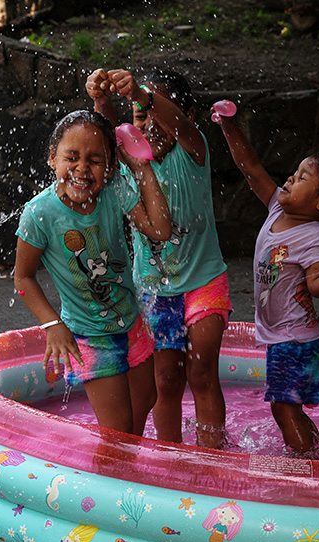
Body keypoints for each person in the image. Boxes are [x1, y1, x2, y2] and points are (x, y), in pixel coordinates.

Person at [214, 107, 319, 453]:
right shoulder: (277, 209)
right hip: (285, 337)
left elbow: (315, 284)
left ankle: (307, 470)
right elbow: (251, 167)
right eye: (294, 172)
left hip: (295, 338)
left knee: (283, 408)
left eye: (302, 177)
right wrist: (228, 125)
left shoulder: (314, 235)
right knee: (288, 408)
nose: (289, 178)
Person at [86, 67, 231, 449]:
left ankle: (213, 458)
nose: (149, 125)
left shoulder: (193, 149)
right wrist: (102, 100)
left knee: (202, 374)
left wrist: (141, 94)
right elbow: (107, 136)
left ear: (185, 116)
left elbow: (177, 125)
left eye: (156, 114)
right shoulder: (131, 166)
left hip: (204, 282)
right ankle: (171, 462)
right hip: (155, 290)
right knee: (165, 380)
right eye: (139, 116)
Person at [13, 110, 171, 435]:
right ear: (52, 159)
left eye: (95, 160)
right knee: (117, 429)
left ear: (110, 167)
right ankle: (115, 471)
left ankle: (128, 465)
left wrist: (141, 168)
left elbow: (160, 229)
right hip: (90, 334)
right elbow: (23, 277)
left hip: (131, 321)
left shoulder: (114, 192)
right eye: (71, 157)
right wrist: (52, 325)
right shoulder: (40, 214)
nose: (82, 168)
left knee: (147, 398)